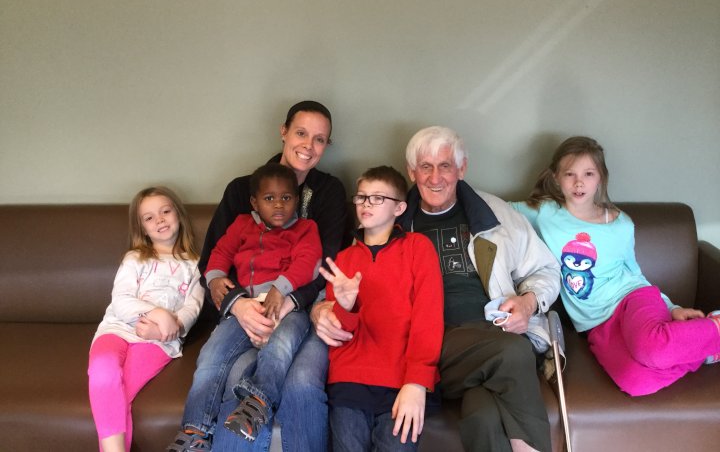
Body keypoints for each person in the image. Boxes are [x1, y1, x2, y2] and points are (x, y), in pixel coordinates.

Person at [314, 126, 560, 452]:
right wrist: (322, 309)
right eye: (425, 167)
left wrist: (527, 303)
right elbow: (349, 280)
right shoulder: (389, 218)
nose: (434, 177)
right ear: (411, 172)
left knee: (484, 418)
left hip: (485, 338)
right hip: (427, 342)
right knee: (513, 351)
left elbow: (546, 269)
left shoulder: (495, 213)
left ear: (462, 168)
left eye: (445, 166)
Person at [178, 100, 347, 452]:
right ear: (283, 132)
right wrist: (239, 307)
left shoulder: (328, 193)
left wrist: (287, 300)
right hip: (245, 308)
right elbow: (214, 261)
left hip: (302, 308)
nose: (308, 145)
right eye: (301, 133)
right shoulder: (242, 191)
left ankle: (259, 408)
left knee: (300, 381)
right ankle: (196, 436)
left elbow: (323, 265)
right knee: (227, 372)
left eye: (319, 139)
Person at [512, 136, 720, 396]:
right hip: (595, 325)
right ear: (556, 178)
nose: (579, 182)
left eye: (588, 174)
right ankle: (705, 351)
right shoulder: (544, 212)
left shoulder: (621, 225)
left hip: (633, 299)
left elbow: (635, 274)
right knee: (635, 383)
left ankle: (715, 328)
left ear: (600, 177)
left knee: (651, 348)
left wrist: (673, 308)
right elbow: (494, 209)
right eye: (570, 174)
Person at [168, 164, 322, 450]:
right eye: (269, 198)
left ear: (297, 199)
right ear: (254, 202)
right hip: (245, 307)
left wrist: (280, 289)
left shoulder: (305, 228)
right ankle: (194, 432)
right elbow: (220, 253)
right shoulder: (241, 225)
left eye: (286, 198)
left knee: (280, 347)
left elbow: (309, 262)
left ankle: (259, 400)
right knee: (211, 357)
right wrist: (215, 279)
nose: (279, 205)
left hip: (288, 308)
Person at [318, 166, 443, 451]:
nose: (366, 204)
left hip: (401, 381)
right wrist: (345, 306)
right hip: (349, 380)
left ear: (399, 208)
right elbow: (339, 334)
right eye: (361, 197)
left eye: (377, 198)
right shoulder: (343, 259)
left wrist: (416, 382)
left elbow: (428, 318)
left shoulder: (418, 248)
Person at [88, 186, 204, 452]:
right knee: (103, 372)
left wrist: (166, 329)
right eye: (149, 217)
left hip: (157, 342)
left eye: (165, 212)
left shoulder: (195, 265)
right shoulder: (135, 258)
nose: (160, 220)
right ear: (142, 228)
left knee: (119, 392)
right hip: (115, 330)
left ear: (178, 214)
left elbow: (192, 309)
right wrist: (158, 313)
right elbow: (121, 300)